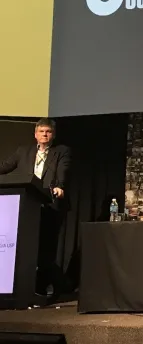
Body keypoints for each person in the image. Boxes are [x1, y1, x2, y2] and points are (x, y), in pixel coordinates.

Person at [0, 118, 71, 298]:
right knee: (26, 246)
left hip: (49, 204)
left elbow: (63, 170)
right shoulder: (23, 151)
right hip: (27, 204)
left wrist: (60, 187)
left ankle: (47, 287)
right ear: (35, 134)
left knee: (46, 249)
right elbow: (5, 167)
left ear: (53, 134)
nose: (44, 134)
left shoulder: (61, 151)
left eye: (48, 131)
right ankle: (26, 286)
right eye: (41, 131)